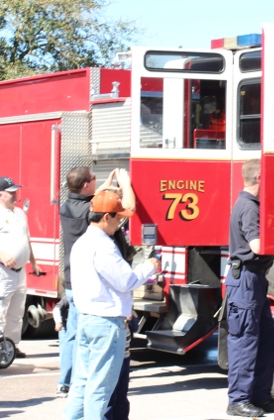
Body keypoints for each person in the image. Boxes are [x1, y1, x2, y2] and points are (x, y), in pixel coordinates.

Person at [64, 190, 159, 420]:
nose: (120, 224)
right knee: (100, 388)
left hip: (86, 317)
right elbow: (126, 281)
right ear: (106, 217)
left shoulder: (82, 242)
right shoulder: (103, 245)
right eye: (118, 218)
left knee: (81, 384)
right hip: (106, 322)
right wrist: (149, 266)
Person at [57, 167, 135, 397]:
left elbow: (90, 197)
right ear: (86, 186)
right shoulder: (90, 214)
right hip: (89, 282)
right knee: (89, 341)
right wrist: (125, 182)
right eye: (94, 179)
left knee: (74, 335)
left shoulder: (66, 207)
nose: (97, 181)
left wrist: (107, 185)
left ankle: (66, 382)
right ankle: (83, 385)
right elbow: (128, 208)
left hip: (72, 280)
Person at [225, 159, 274, 418]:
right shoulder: (249, 207)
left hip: (255, 280)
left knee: (265, 339)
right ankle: (238, 400)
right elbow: (258, 246)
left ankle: (260, 396)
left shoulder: (253, 205)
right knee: (245, 341)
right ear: (260, 177)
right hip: (246, 281)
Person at [0, 176, 42, 359]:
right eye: (11, 192)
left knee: (17, 311)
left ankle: (12, 346)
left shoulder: (20, 213)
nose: (15, 194)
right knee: (1, 310)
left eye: (15, 191)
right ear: (1, 195)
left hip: (20, 271)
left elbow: (27, 240)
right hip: (4, 271)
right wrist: (2, 256)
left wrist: (33, 261)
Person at [105, 315, 137, 420]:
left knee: (121, 396)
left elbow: (135, 328)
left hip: (125, 358)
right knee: (110, 397)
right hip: (113, 360)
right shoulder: (109, 317)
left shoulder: (126, 315)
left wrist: (131, 318)